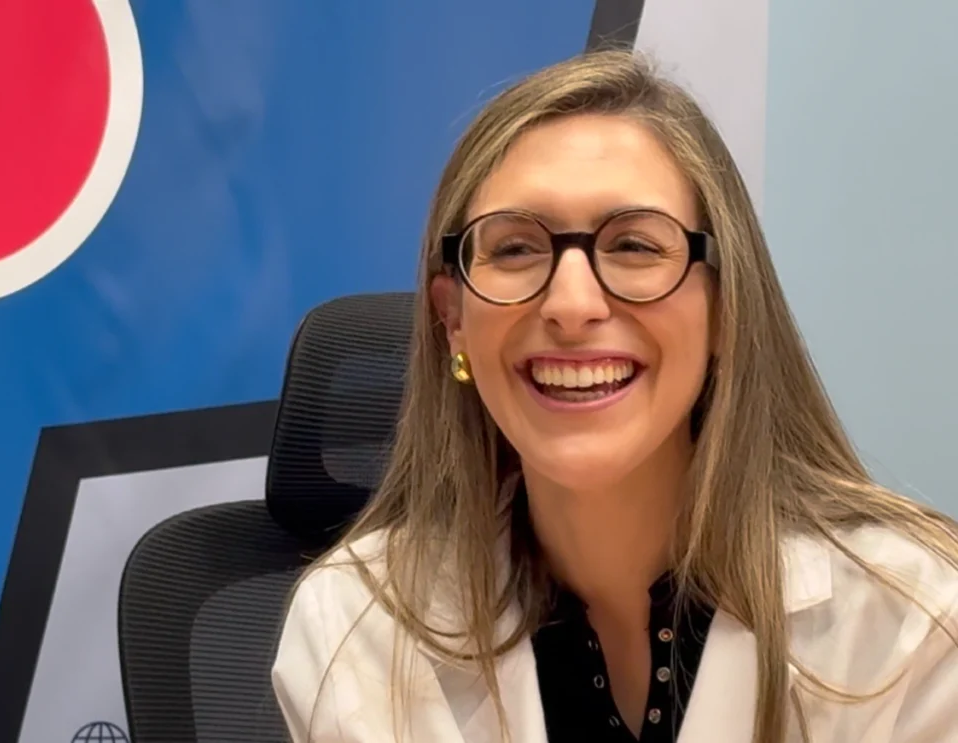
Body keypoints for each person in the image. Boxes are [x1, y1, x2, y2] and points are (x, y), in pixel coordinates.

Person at [271, 50, 958, 742]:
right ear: (453, 319)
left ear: (726, 309)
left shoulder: (916, 618)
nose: (572, 305)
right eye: (515, 249)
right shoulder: (355, 627)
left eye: (634, 245)